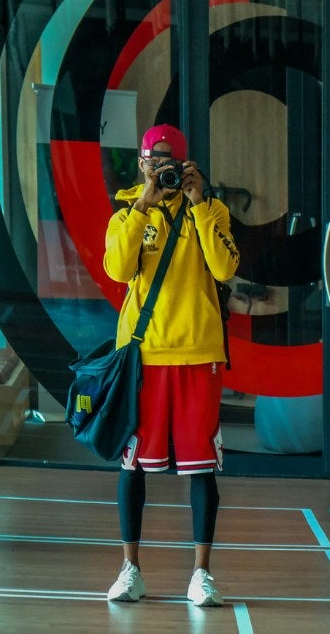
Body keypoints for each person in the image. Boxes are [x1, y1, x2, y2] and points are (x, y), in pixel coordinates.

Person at [101, 123, 239, 607]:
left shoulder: (211, 209)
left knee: (202, 468)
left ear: (186, 166)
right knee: (133, 466)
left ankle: (201, 575)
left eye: (169, 163)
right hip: (144, 356)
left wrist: (199, 204)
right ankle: (130, 569)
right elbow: (118, 269)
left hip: (199, 354)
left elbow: (225, 268)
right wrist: (143, 204)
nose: (160, 170)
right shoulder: (125, 214)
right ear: (141, 164)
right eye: (152, 162)